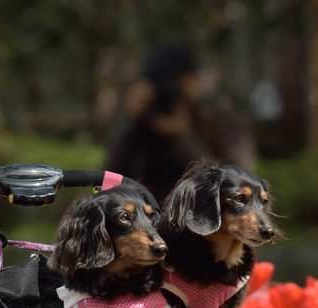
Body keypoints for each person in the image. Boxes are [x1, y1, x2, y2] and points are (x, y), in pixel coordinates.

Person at [104, 44, 256, 203]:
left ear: (193, 78)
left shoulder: (220, 118)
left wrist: (183, 137)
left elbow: (237, 184)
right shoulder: (142, 121)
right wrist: (129, 121)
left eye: (175, 82)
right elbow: (108, 184)